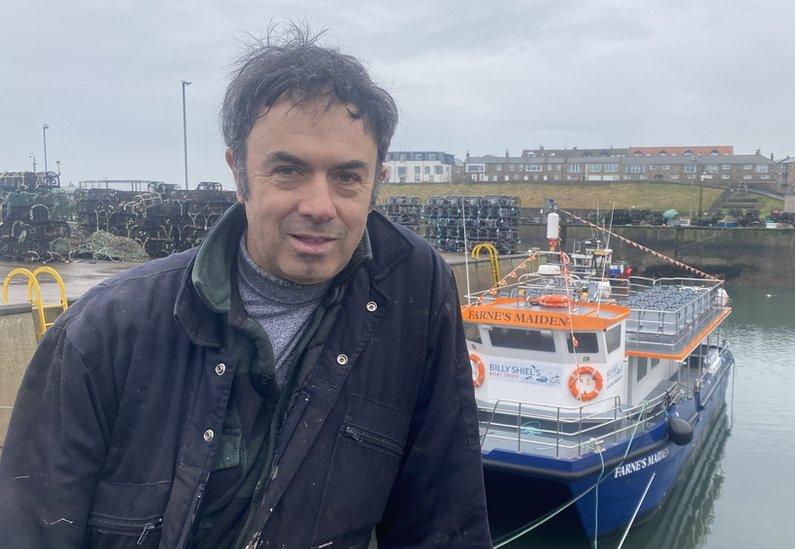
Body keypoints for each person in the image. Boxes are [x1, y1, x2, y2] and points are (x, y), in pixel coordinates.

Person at [0, 26, 490, 548]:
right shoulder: (104, 333)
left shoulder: (414, 290)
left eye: (347, 177)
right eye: (288, 170)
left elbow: (443, 519)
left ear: (376, 182)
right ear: (239, 174)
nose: (320, 206)